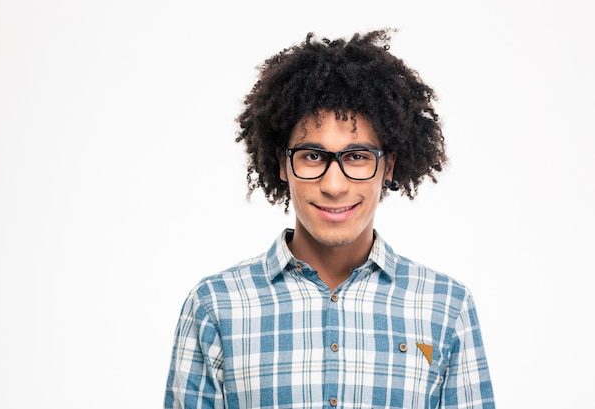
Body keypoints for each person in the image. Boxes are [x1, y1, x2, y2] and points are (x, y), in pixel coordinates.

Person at [164, 30, 495, 409]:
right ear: (282, 165)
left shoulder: (446, 307)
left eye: (357, 157)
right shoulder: (215, 308)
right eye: (312, 156)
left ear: (388, 166)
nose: (334, 185)